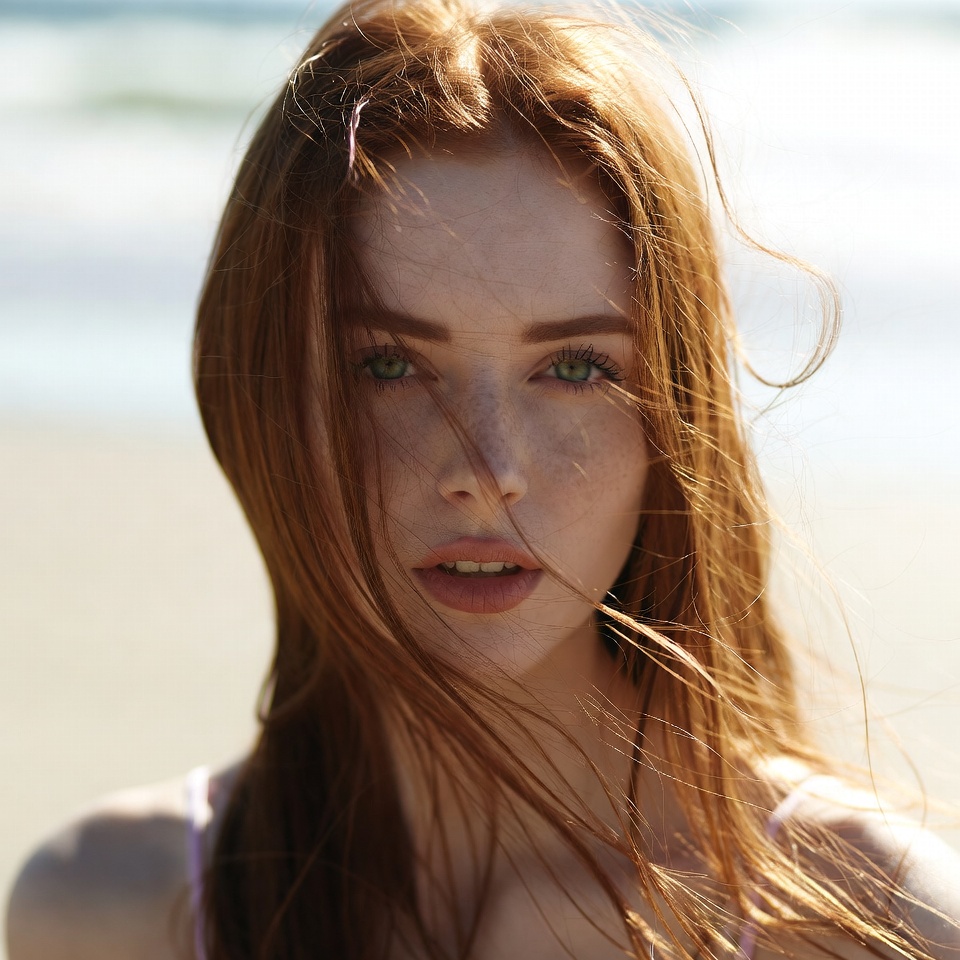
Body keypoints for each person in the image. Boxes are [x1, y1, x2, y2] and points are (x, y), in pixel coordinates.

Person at [7, 0, 960, 957]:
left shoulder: (866, 924)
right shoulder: (111, 913)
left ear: (675, 417)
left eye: (577, 367)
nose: (488, 471)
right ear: (263, 397)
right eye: (387, 364)